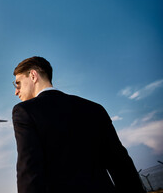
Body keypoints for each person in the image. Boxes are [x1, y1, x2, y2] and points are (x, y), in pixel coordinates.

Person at [12, 56, 146, 193]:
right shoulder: (95, 109)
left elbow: (29, 171)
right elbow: (121, 165)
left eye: (18, 83)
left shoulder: (24, 112)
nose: (16, 91)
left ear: (33, 76)